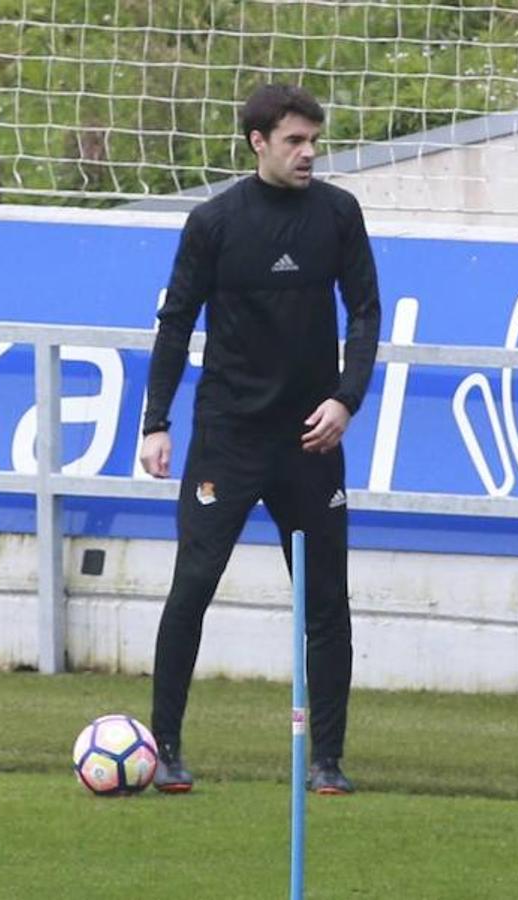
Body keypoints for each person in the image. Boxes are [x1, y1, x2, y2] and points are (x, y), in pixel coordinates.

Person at [138, 83, 381, 796]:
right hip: (230, 437)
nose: (309, 153)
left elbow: (365, 313)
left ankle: (327, 761)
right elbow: (176, 322)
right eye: (295, 141)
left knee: (326, 601)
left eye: (314, 141)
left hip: (311, 439)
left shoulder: (338, 214)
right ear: (258, 143)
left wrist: (346, 400)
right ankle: (167, 750)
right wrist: (157, 420)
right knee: (193, 585)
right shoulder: (214, 222)